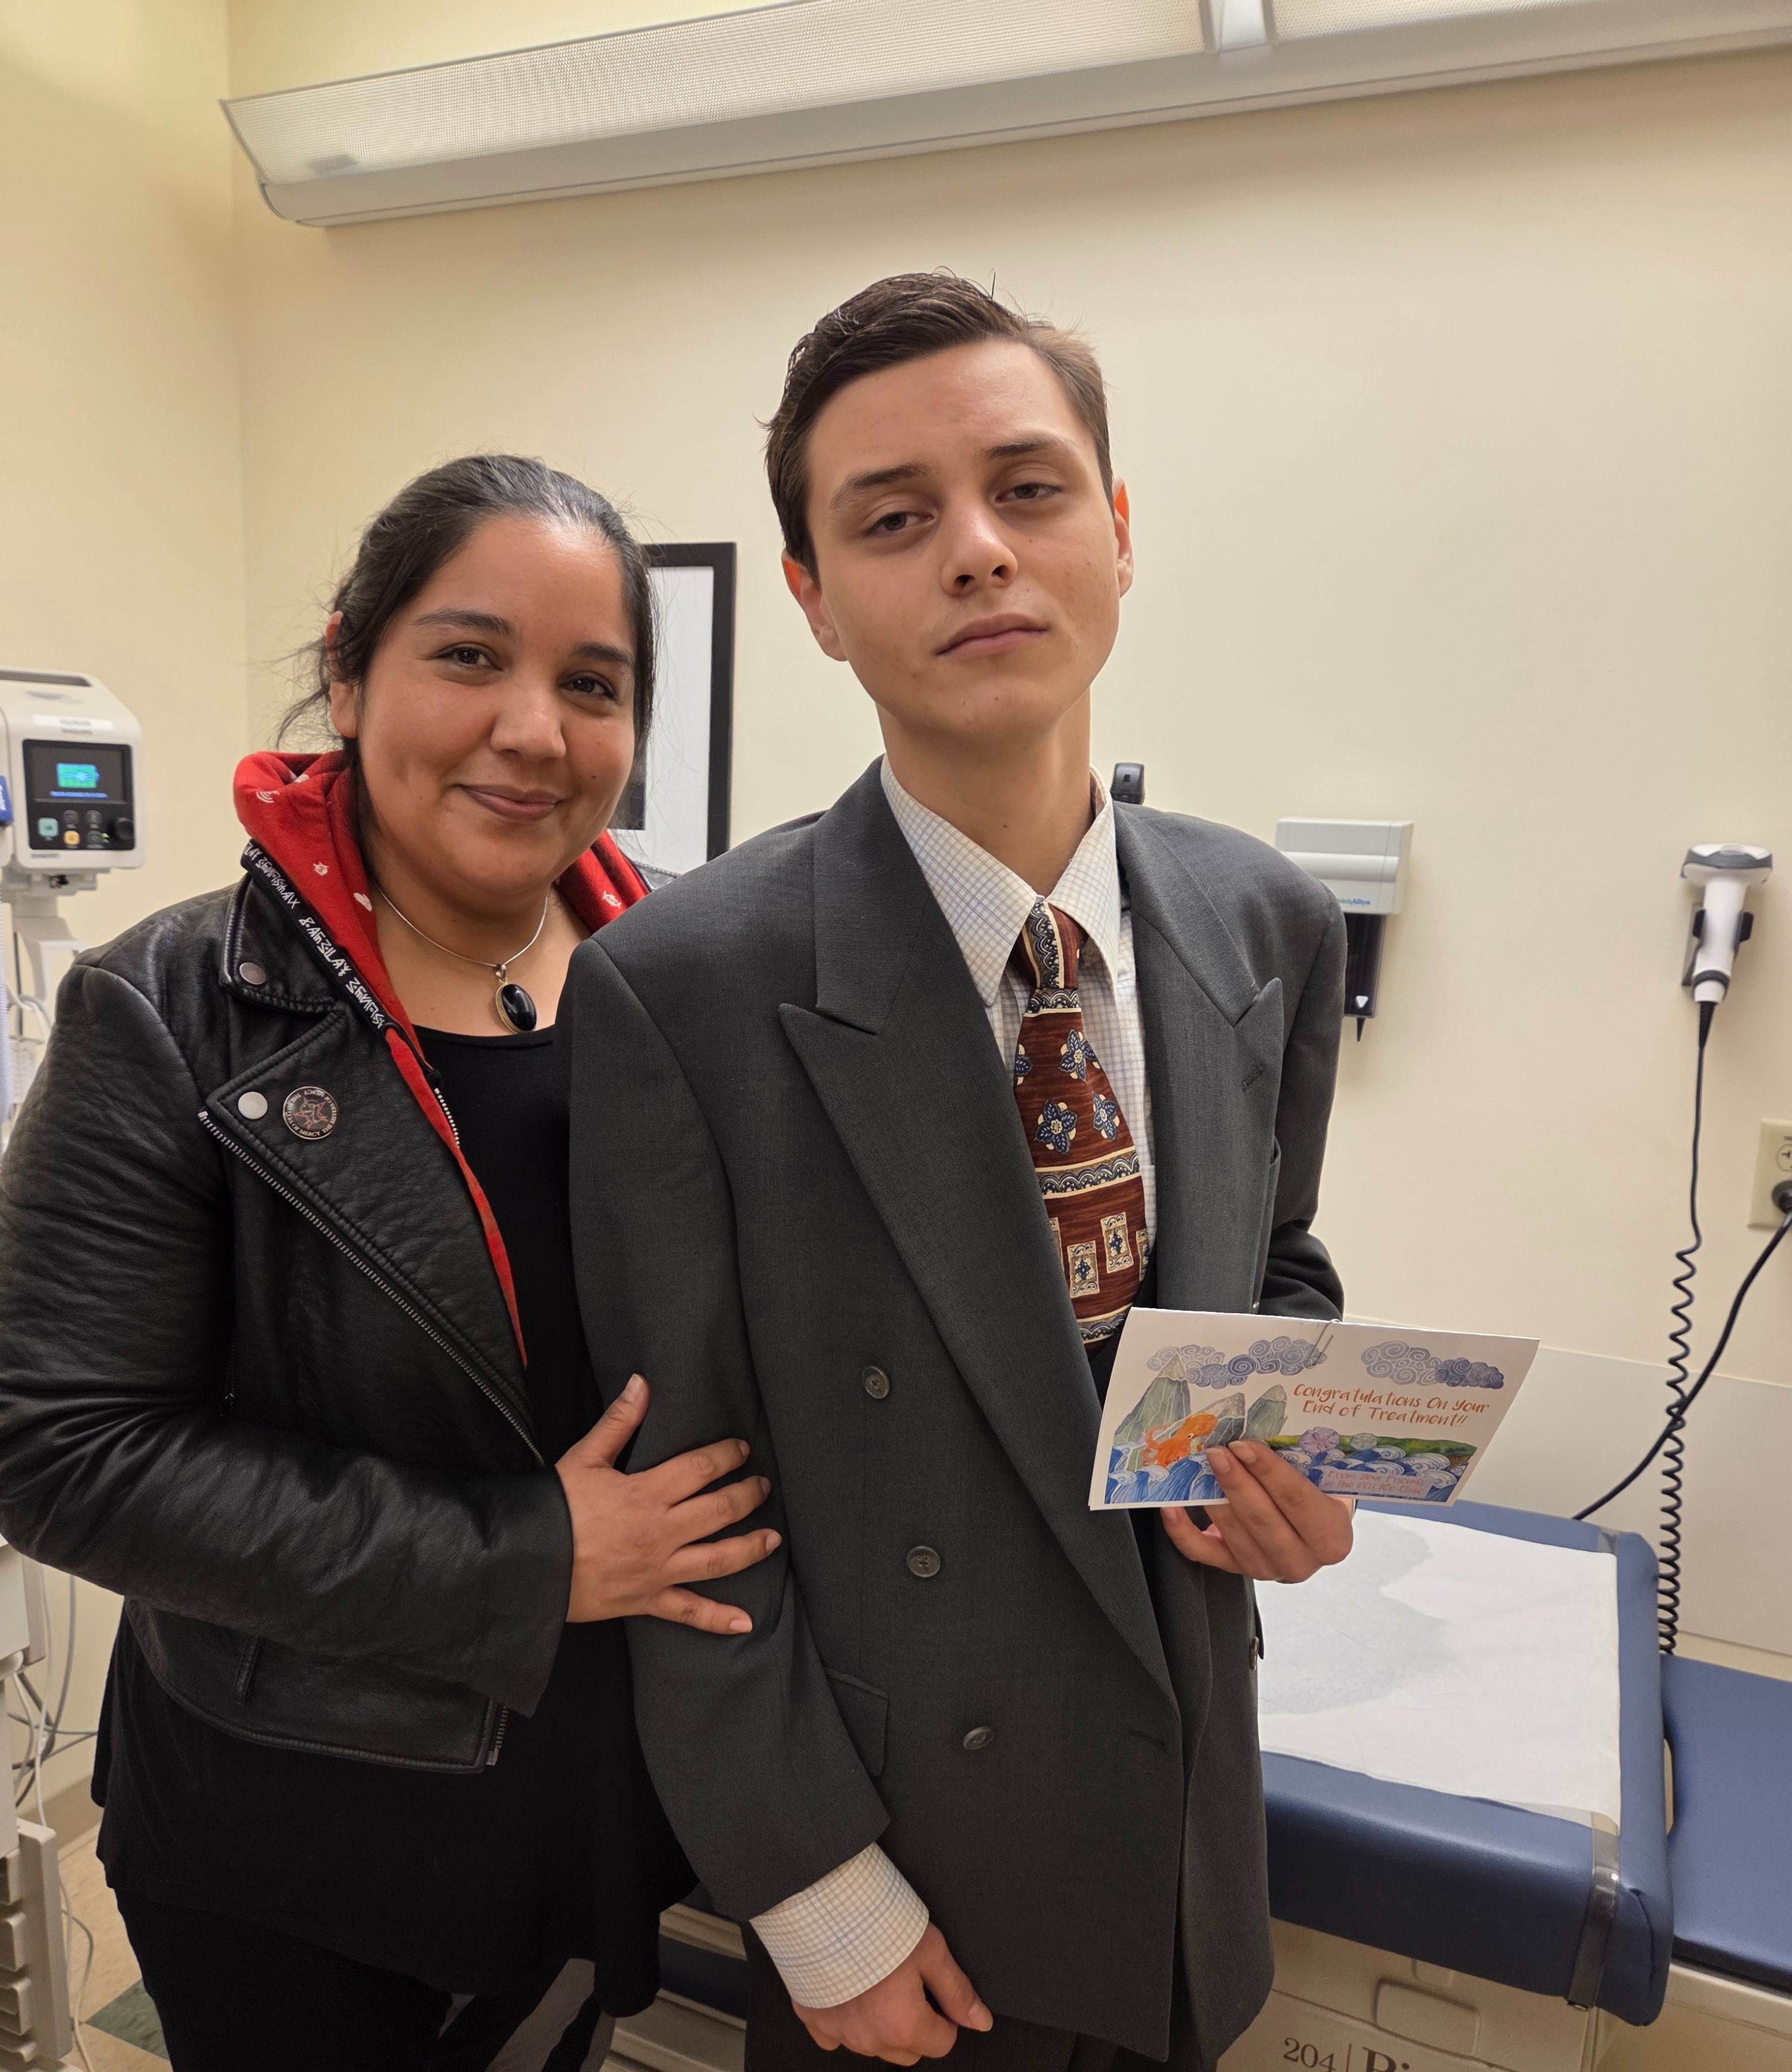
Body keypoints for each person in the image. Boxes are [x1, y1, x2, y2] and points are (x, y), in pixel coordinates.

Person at [563, 276, 1355, 2072]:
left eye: (1029, 488)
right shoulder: (685, 986)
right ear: (814, 600)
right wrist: (814, 1891)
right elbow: (683, 1502)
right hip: (903, 1869)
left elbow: (1279, 1262)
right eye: (895, 520)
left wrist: (1285, 1458)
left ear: (1119, 530)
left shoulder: (1267, 920)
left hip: (1182, 1817)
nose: (980, 551)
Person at [0, 455, 781, 2071]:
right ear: (349, 675)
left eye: (593, 684)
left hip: (601, 1800)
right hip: (293, 1839)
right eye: (469, 655)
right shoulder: (171, 1010)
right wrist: (524, 1557)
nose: (533, 730)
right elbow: (55, 1448)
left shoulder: (690, 982)